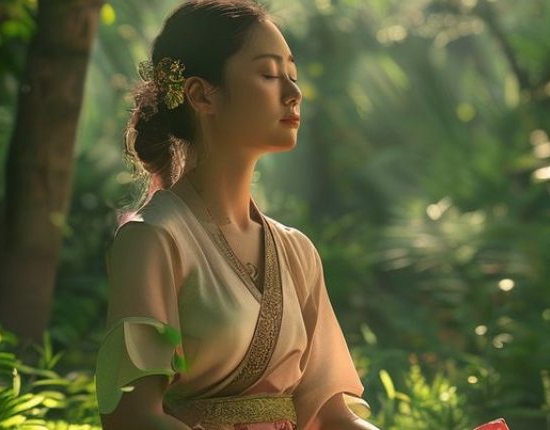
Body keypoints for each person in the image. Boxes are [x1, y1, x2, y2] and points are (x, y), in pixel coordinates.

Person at [93, 1, 380, 429]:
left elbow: (329, 416)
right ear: (201, 94)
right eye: (268, 74)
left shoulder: (297, 252)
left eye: (292, 75)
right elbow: (134, 417)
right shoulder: (153, 239)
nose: (293, 93)